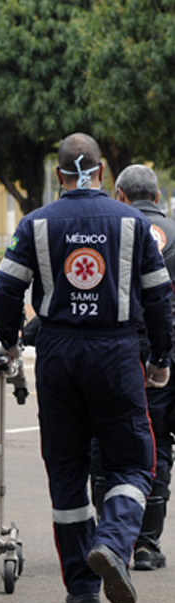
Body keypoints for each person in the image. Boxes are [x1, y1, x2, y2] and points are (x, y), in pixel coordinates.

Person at [0, 133, 173, 603]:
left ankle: (82, 587)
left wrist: (9, 342)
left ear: (58, 176)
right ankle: (113, 544)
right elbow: (158, 298)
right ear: (103, 173)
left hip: (58, 355)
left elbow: (6, 291)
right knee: (134, 463)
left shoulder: (35, 224)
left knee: (67, 473)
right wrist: (161, 359)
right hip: (116, 353)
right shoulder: (133, 222)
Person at [113, 164, 175, 571]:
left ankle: (111, 541)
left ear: (120, 195)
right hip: (166, 357)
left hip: (117, 351)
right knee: (161, 444)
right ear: (157, 198)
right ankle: (147, 545)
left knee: (109, 446)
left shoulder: (111, 228)